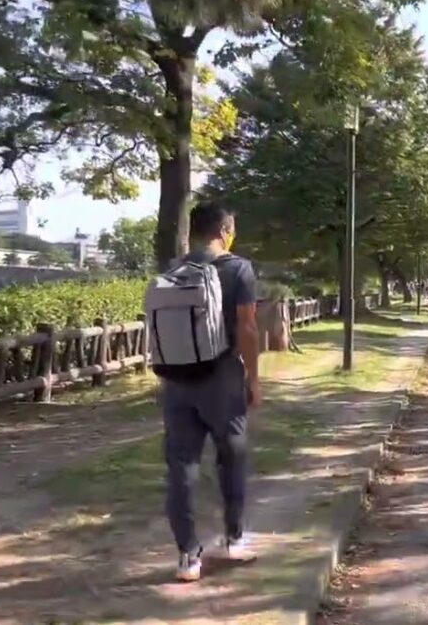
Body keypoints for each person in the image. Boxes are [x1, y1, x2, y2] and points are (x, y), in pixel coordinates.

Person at [148, 202, 262, 583]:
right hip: (222, 376)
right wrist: (253, 379)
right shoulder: (238, 268)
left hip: (177, 380)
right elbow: (247, 328)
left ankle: (188, 557)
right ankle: (234, 540)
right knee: (231, 456)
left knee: (181, 466)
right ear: (226, 230)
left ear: (197, 232)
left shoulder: (174, 269)